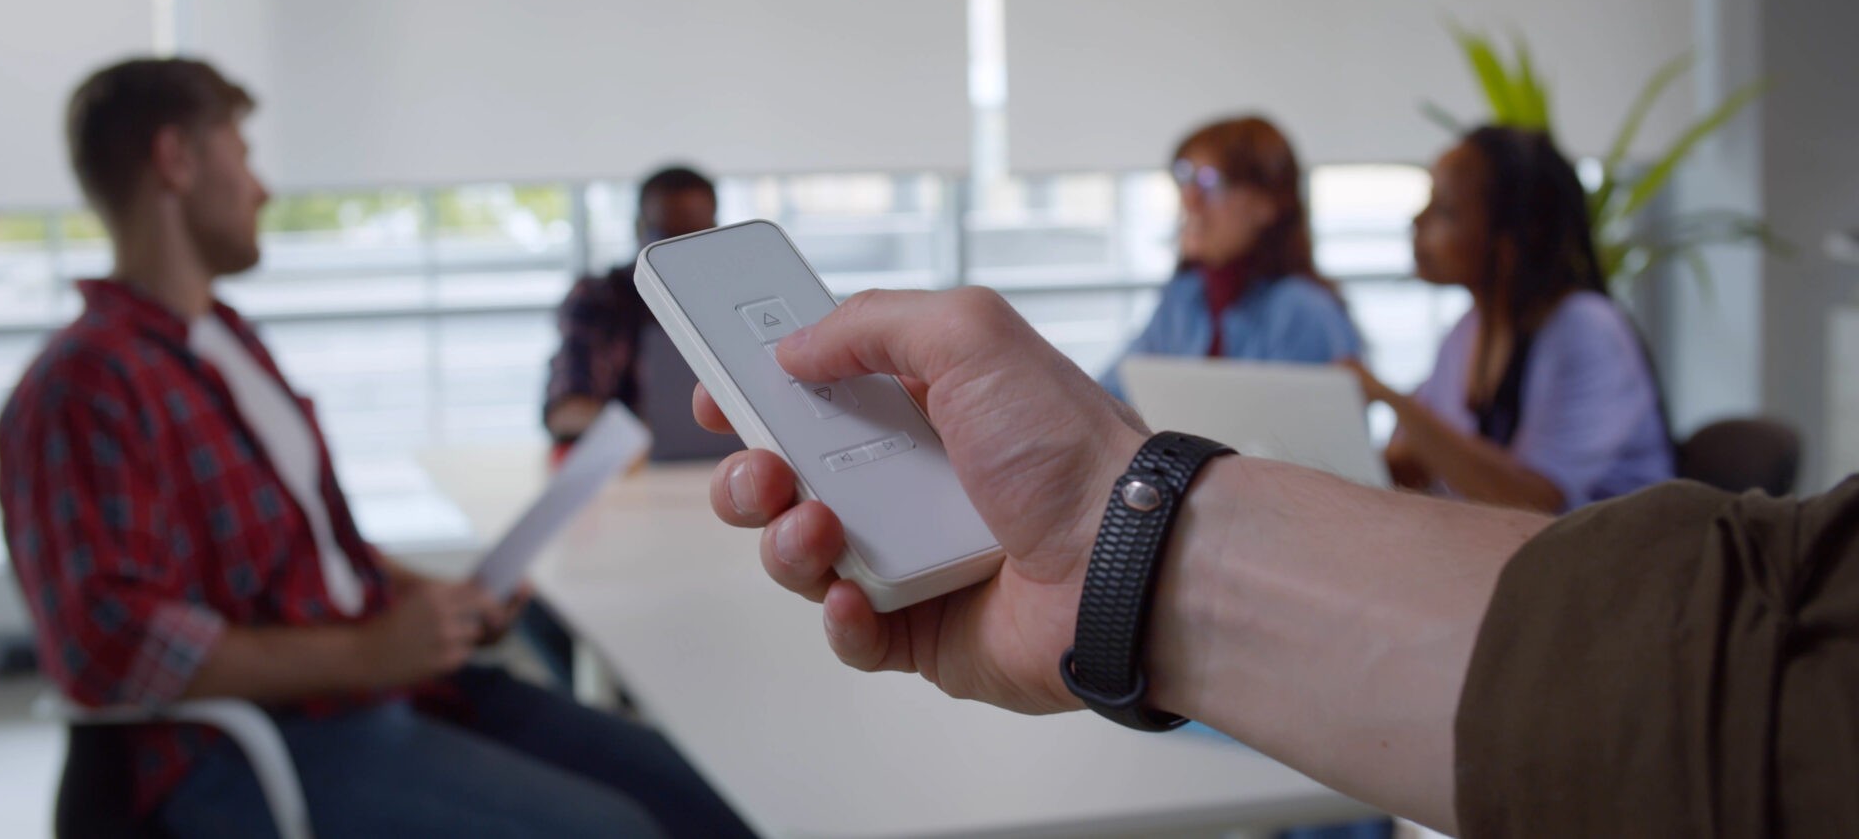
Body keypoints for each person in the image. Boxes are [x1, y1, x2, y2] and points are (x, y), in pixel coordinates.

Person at [693, 286, 1856, 836]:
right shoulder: (1197, 299)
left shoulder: (1319, 312)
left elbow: (1781, 676)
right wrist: (1118, 542)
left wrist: (1128, 544)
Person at [0, 58, 753, 837]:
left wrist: (434, 602)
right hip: (254, 744)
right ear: (176, 160)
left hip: (390, 692)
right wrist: (366, 653)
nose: (261, 187)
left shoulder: (228, 344)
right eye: (243, 153)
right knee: (616, 829)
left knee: (703, 795)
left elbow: (313, 548)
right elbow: (114, 643)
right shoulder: (83, 383)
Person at [1345, 126, 1674, 514]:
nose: (1418, 222)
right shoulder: (1468, 332)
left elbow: (1535, 506)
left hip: (1614, 566)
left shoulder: (1586, 331)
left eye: (1445, 211)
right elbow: (1411, 467)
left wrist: (1391, 400)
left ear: (1513, 239)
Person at [1101, 116, 1360, 401]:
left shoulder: (1303, 311)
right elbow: (1110, 395)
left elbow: (1309, 437)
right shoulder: (1184, 299)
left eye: (1210, 182)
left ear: (1268, 204)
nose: (1190, 201)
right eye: (1185, 178)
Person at [543, 165, 719, 444]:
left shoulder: (729, 299)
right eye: (665, 237)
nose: (676, 251)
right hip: (635, 472)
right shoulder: (600, 297)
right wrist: (645, 435)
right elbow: (565, 410)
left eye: (693, 237)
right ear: (639, 229)